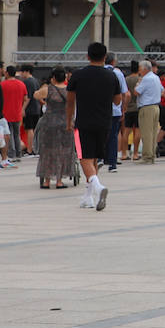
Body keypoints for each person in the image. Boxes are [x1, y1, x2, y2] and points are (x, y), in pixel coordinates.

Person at [66, 42, 123, 210]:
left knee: (84, 157)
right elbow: (118, 100)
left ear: (87, 56)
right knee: (94, 158)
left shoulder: (78, 75)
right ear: (105, 57)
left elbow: (70, 101)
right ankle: (88, 197)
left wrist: (69, 120)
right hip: (105, 123)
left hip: (82, 123)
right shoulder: (111, 76)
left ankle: (98, 187)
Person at [34, 67, 75, 189]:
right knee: (64, 151)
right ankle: (59, 181)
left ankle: (47, 181)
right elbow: (72, 107)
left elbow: (35, 95)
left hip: (49, 123)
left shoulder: (48, 90)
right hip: (65, 123)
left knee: (47, 151)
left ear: (53, 78)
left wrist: (48, 86)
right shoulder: (69, 91)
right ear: (65, 78)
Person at [133, 60, 163, 164]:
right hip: (156, 106)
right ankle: (152, 154)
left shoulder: (145, 79)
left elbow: (137, 92)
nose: (139, 71)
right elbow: (162, 90)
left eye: (140, 68)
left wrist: (138, 84)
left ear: (145, 69)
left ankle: (147, 156)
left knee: (146, 132)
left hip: (146, 107)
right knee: (154, 132)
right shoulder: (156, 77)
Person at [103, 54, 128, 173]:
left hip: (100, 110)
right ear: (113, 61)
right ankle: (112, 163)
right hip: (115, 109)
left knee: (100, 135)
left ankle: (99, 158)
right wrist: (123, 108)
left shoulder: (99, 72)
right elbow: (125, 93)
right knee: (113, 136)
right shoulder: (118, 73)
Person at [1, 65, 27, 163]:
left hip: (6, 113)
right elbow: (25, 98)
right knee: (17, 134)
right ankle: (18, 154)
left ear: (7, 73)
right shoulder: (21, 84)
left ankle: (11, 154)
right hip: (17, 113)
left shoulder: (3, 85)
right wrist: (22, 109)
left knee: (9, 134)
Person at [19, 64, 41, 156]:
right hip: (36, 108)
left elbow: (27, 97)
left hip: (29, 109)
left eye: (22, 72)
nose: (21, 74)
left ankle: (29, 149)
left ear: (26, 71)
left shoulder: (27, 82)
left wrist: (23, 109)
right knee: (33, 129)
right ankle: (33, 148)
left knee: (29, 129)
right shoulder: (36, 81)